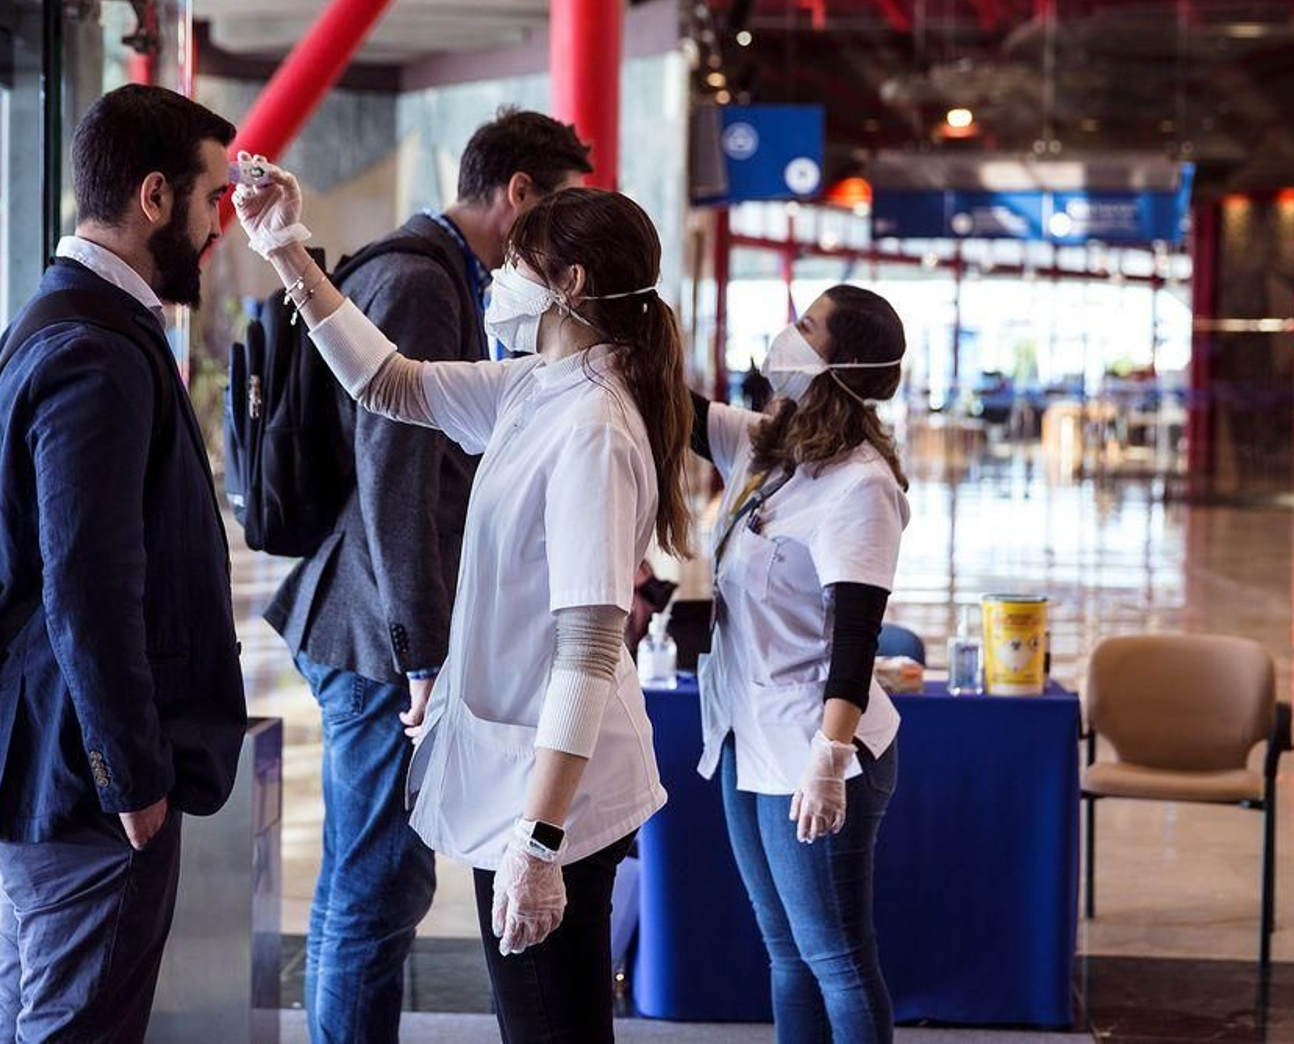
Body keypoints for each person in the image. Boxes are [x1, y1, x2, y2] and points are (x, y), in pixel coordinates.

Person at [237, 168, 690, 1042]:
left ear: (570, 286)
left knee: (551, 1024)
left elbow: (590, 648)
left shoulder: (592, 425)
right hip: (520, 777)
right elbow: (389, 385)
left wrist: (543, 840)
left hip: (557, 792)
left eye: (518, 263)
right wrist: (287, 250)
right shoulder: (535, 387)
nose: (499, 280)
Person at [0, 85, 248, 1042]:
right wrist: (129, 773)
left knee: (35, 1006)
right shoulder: (95, 347)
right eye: (209, 200)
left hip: (52, 756)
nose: (214, 228)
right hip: (84, 779)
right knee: (72, 1023)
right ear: (155, 196)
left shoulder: (64, 314)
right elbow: (87, 582)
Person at [690, 284, 910, 1044]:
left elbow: (856, 642)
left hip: (820, 747)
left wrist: (828, 758)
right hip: (750, 736)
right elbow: (679, 413)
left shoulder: (862, 486)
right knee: (786, 952)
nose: (786, 332)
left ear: (839, 358)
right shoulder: (769, 449)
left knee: (837, 959)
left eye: (805, 325)